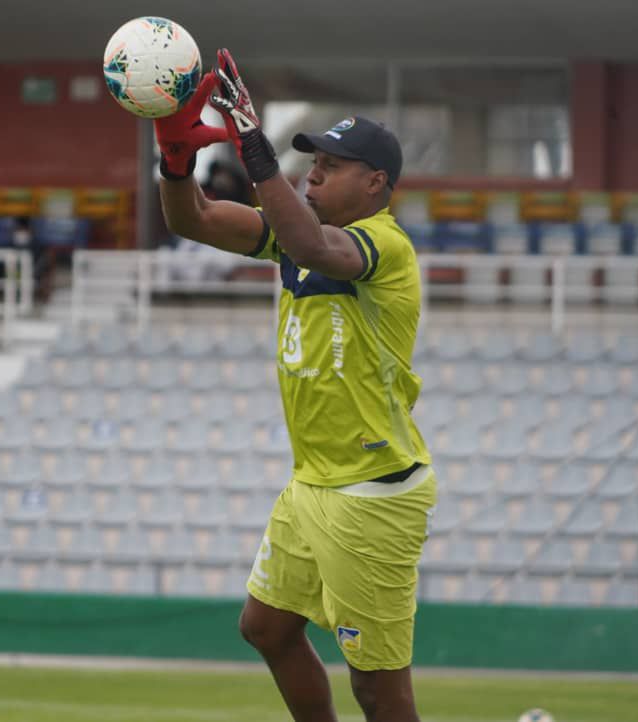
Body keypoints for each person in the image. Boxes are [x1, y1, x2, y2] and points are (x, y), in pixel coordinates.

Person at [155, 51, 435, 722]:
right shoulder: (294, 235)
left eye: (329, 167)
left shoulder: (382, 246)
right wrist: (174, 158)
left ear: (375, 184)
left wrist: (255, 149)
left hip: (371, 494)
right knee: (267, 628)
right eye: (311, 162)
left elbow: (315, 249)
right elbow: (191, 219)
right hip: (313, 482)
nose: (314, 174)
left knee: (377, 688)